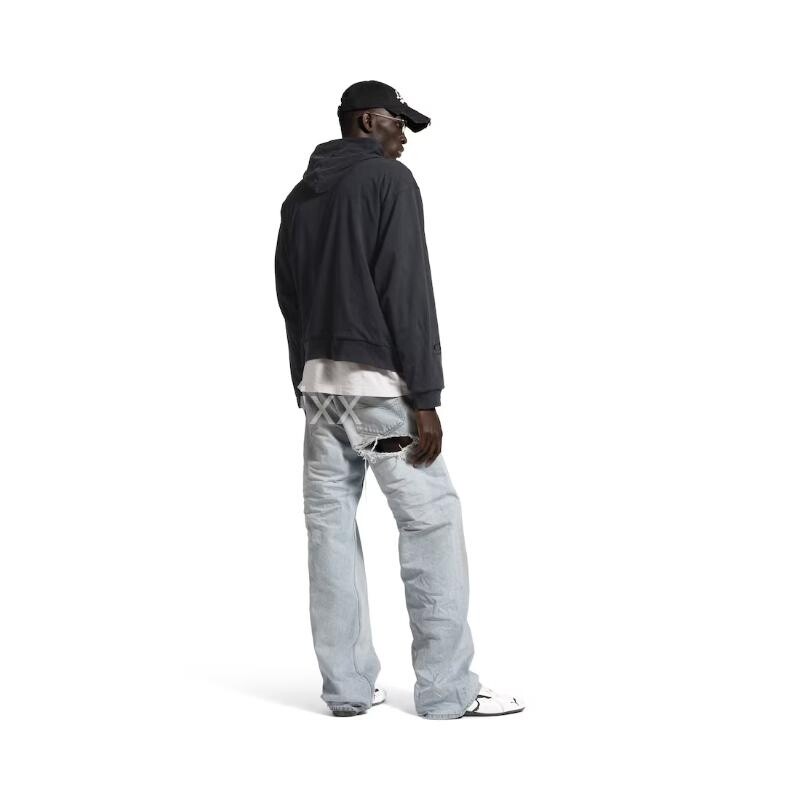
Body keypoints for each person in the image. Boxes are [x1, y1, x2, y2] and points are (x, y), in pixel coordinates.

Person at [274, 80, 524, 719]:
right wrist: (425, 397)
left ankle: (347, 688)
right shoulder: (388, 181)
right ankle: (447, 691)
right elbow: (406, 290)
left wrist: (302, 375)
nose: (404, 136)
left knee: (330, 531)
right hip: (380, 391)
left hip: (319, 387)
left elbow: (289, 295)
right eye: (398, 122)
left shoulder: (300, 196)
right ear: (367, 120)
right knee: (430, 522)